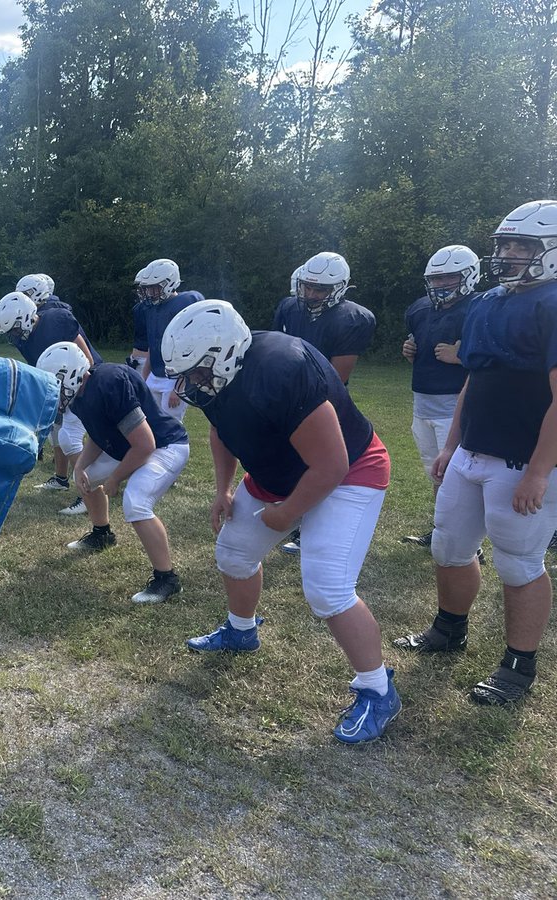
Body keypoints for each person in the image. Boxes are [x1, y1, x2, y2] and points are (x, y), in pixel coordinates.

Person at [162, 299, 398, 743]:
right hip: (281, 471)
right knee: (234, 553)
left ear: (225, 354)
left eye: (196, 372)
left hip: (350, 471)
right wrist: (223, 489)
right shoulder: (220, 375)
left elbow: (331, 463)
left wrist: (289, 513)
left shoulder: (282, 368)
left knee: (328, 588)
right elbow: (221, 430)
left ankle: (377, 689)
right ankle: (242, 631)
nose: (189, 385)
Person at [394, 200, 557, 706]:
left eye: (522, 246)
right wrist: (451, 445)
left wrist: (538, 471)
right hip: (472, 452)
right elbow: (474, 378)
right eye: (505, 244)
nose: (508, 254)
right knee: (448, 546)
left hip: (520, 458)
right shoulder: (488, 302)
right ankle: (449, 629)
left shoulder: (552, 303)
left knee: (519, 563)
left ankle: (518, 665)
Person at [37, 341, 189, 603]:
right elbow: (100, 435)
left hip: (165, 445)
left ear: (70, 375)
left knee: (136, 501)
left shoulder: (108, 384)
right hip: (132, 446)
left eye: (57, 384)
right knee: (85, 477)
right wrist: (80, 467)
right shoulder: (81, 394)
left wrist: (115, 479)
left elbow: (145, 444)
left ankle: (167, 579)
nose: (56, 393)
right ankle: (102, 534)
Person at [272, 251, 376, 554]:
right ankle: (294, 512)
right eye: (308, 286)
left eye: (320, 289)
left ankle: (310, 527)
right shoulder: (289, 307)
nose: (311, 294)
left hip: (323, 401)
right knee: (291, 459)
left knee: (319, 463)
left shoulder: (352, 318)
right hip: (288, 395)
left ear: (339, 288)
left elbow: (336, 376)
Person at [400, 246, 480, 548]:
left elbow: (494, 359)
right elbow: (418, 343)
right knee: (436, 473)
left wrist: (461, 357)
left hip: (456, 406)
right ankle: (442, 530)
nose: (441, 284)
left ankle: (468, 544)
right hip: (422, 404)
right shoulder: (420, 309)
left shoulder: (479, 307)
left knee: (459, 477)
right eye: (436, 278)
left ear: (468, 276)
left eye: (449, 277)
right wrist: (410, 350)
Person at [0, 291, 100, 516]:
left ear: (25, 316)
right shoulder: (24, 340)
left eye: (15, 329)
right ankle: (61, 479)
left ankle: (89, 492)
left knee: (70, 437)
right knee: (56, 431)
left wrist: (78, 392)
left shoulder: (56, 320)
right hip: (62, 388)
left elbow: (87, 360)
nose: (14, 336)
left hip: (83, 384)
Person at [136, 259, 205, 423]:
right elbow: (153, 346)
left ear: (169, 283)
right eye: (148, 288)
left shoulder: (185, 303)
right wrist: (144, 376)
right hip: (155, 374)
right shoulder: (152, 308)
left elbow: (190, 350)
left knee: (171, 425)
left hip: (174, 376)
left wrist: (179, 386)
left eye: (154, 287)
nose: (150, 292)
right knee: (151, 422)